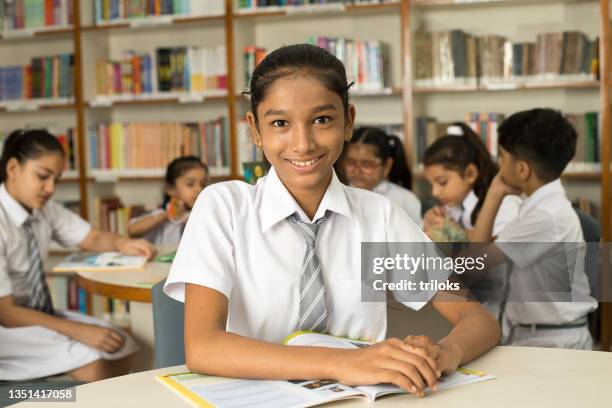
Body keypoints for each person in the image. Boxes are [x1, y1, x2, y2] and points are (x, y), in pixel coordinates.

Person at [164, 44, 500, 398]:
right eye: (280, 123)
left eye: (322, 120)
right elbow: (202, 348)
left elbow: (478, 320)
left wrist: (446, 352)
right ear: (255, 129)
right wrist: (341, 363)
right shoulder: (224, 208)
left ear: (348, 121)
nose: (303, 143)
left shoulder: (378, 216)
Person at [0, 129, 156, 382]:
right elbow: (6, 313)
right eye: (42, 176)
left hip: (37, 313)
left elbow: (92, 238)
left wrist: (123, 242)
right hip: (8, 324)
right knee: (91, 359)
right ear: (13, 168)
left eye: (56, 179)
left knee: (125, 345)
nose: (50, 188)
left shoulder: (45, 210)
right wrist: (80, 331)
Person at [470, 108, 598, 349]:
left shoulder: (544, 216)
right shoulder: (541, 205)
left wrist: (494, 193)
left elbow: (474, 265)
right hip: (539, 334)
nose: (499, 164)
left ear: (522, 170)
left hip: (551, 341)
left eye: (502, 157)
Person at [422, 123, 521, 241]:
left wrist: (455, 233)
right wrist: (430, 221)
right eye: (430, 184)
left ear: (470, 174)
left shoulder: (505, 207)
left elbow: (495, 254)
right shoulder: (453, 205)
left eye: (442, 182)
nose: (435, 192)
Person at [340, 127, 421, 225]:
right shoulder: (336, 194)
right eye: (350, 162)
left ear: (387, 165)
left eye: (367, 164)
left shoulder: (406, 200)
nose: (357, 170)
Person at [128, 156, 208, 246]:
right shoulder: (161, 215)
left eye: (203, 184)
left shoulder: (205, 215)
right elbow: (132, 230)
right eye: (190, 184)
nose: (199, 189)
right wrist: (166, 215)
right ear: (170, 189)